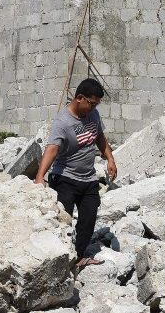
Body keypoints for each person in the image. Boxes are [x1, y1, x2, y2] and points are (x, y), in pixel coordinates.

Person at [34, 78, 117, 269]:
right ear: (80, 98)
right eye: (92, 103)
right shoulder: (63, 122)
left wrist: (110, 159)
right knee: (63, 222)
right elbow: (52, 149)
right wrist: (40, 178)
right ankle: (57, 261)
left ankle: (78, 257)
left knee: (88, 219)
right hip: (65, 179)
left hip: (88, 178)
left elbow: (100, 138)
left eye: (96, 104)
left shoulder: (93, 115)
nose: (94, 107)